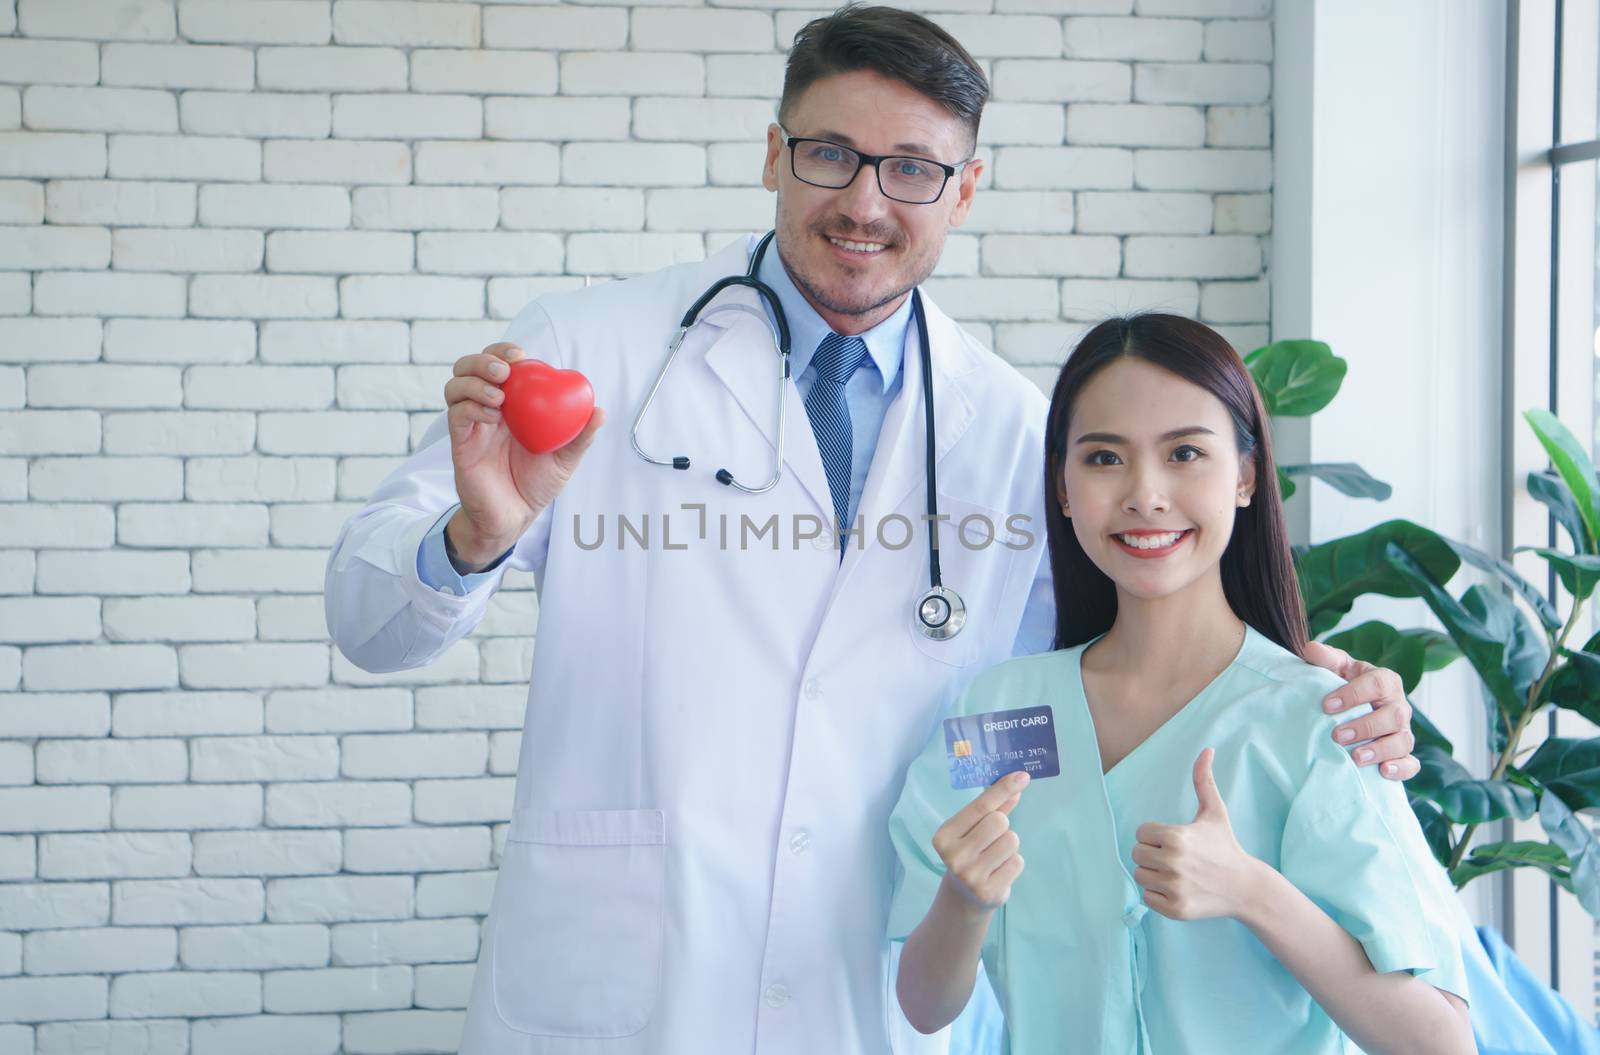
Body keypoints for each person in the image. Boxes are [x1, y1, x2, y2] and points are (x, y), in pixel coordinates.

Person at [323, 7, 1420, 1053]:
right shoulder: (590, 348)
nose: (865, 201)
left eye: (913, 168)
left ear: (965, 188)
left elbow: (1086, 670)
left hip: (873, 989)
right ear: (772, 154)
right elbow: (371, 627)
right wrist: (472, 537)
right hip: (625, 983)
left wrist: (1308, 683)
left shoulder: (1010, 427)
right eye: (830, 154)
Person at [889, 314, 1471, 1054]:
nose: (1145, 494)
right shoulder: (1002, 712)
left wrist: (1253, 892)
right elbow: (924, 1004)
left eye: (1186, 452)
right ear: (1062, 487)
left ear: (1246, 476)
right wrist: (964, 900)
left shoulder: (1320, 719)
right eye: (1103, 458)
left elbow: (1443, 1041)